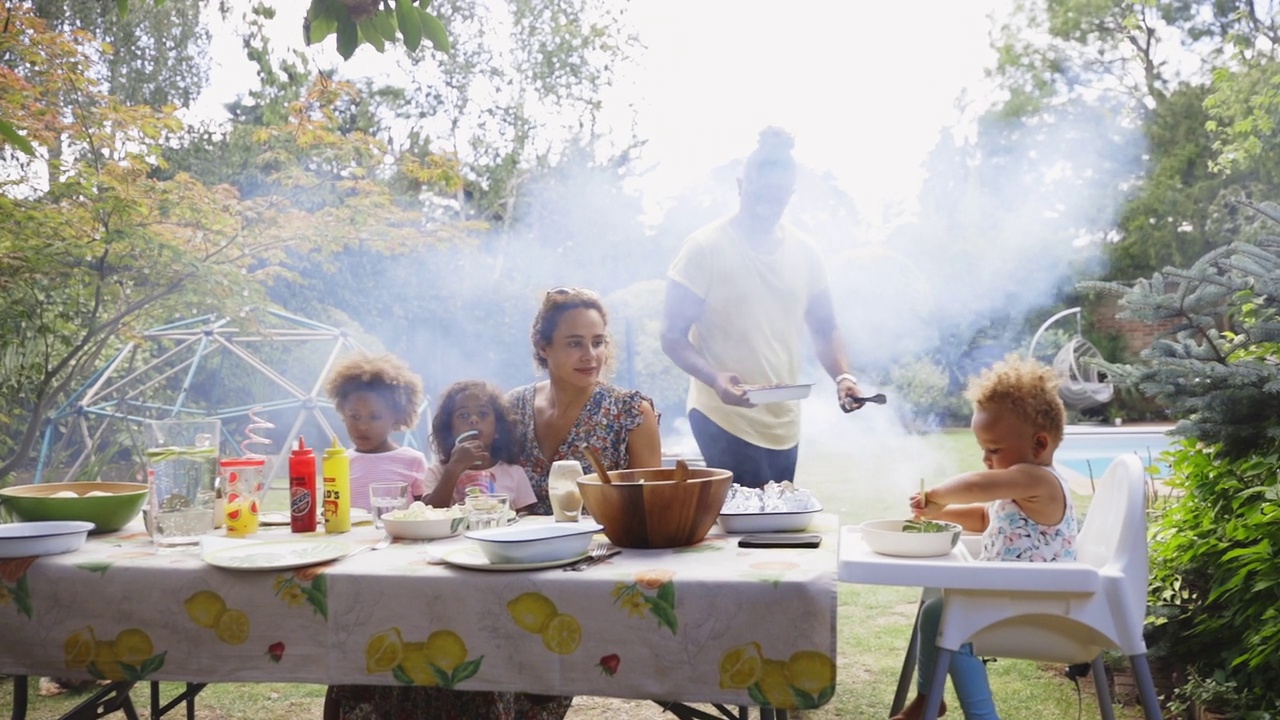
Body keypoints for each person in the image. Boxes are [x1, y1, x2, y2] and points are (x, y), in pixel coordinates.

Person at [660, 126, 865, 488]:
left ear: (790, 194)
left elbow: (824, 327)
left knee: (773, 526)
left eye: (778, 193)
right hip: (722, 414)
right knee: (747, 528)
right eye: (759, 190)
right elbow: (672, 336)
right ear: (741, 185)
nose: (767, 201)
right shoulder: (704, 248)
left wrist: (843, 377)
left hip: (784, 418)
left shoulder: (806, 253)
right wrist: (714, 378)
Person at [892, 355, 1080, 720]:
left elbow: (979, 487)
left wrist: (940, 494)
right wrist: (940, 514)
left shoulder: (1039, 480)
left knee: (954, 626)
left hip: (1036, 606)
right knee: (935, 613)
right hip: (1009, 597)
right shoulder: (1021, 491)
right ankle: (928, 702)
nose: (986, 459)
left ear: (1039, 445)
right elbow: (984, 515)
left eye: (994, 450)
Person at [506, 286, 663, 516]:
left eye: (597, 342)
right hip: (520, 548)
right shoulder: (513, 409)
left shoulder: (631, 412)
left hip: (607, 550)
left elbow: (650, 509)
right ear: (543, 347)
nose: (589, 355)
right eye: (574, 343)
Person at [324, 351, 428, 511]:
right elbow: (329, 513)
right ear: (343, 413)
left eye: (375, 417)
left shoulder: (413, 461)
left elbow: (425, 512)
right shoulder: (340, 463)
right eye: (355, 416)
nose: (363, 426)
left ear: (396, 416)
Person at [420, 380, 537, 511]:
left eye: (483, 414)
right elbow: (427, 514)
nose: (473, 420)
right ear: (449, 429)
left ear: (497, 429)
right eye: (463, 415)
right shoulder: (437, 473)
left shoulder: (514, 474)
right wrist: (453, 469)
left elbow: (526, 522)